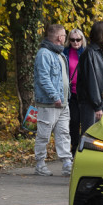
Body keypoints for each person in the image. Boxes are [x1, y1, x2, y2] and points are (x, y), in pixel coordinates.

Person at [32, 23, 72, 177]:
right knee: (44, 133)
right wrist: (54, 96)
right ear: (58, 37)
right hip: (49, 103)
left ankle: (67, 163)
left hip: (63, 103)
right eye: (64, 35)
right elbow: (43, 78)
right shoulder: (44, 54)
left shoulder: (59, 54)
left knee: (63, 133)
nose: (65, 38)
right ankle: (40, 164)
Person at [77, 20, 103, 133]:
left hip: (102, 101)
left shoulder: (101, 52)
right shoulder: (89, 53)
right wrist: (97, 106)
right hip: (91, 104)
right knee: (90, 134)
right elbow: (91, 81)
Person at [65, 28, 85, 154]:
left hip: (84, 92)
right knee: (74, 120)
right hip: (71, 93)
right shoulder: (65, 53)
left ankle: (84, 146)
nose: (76, 42)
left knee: (85, 120)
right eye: (72, 40)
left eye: (78, 39)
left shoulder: (87, 52)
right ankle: (75, 146)